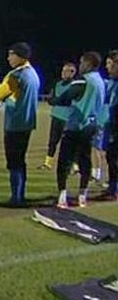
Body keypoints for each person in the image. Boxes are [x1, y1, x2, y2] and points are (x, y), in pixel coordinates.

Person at [49, 51, 105, 208]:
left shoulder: (83, 80)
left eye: (82, 63)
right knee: (85, 160)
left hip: (76, 125)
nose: (80, 66)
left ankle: (62, 198)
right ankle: (82, 196)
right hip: (92, 125)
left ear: (88, 63)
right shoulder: (100, 81)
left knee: (64, 162)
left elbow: (66, 97)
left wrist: (53, 100)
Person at [0, 42, 40, 207]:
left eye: (11, 54)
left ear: (19, 56)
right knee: (20, 161)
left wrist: (0, 91)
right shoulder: (33, 73)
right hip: (27, 123)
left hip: (14, 124)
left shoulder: (15, 75)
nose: (8, 58)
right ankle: (21, 195)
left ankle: (16, 198)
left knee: (14, 163)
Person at [38, 62, 77, 170]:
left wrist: (57, 100)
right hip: (56, 116)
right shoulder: (58, 84)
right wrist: (58, 100)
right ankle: (47, 163)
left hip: (67, 118)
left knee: (69, 144)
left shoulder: (75, 85)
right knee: (52, 141)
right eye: (63, 71)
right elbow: (51, 99)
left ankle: (74, 166)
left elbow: (68, 101)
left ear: (72, 73)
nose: (63, 73)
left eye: (66, 71)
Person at [103, 50, 118, 200]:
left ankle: (114, 189)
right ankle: (112, 187)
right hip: (112, 124)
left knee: (114, 158)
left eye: (110, 64)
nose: (107, 67)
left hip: (115, 126)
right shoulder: (112, 82)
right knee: (111, 156)